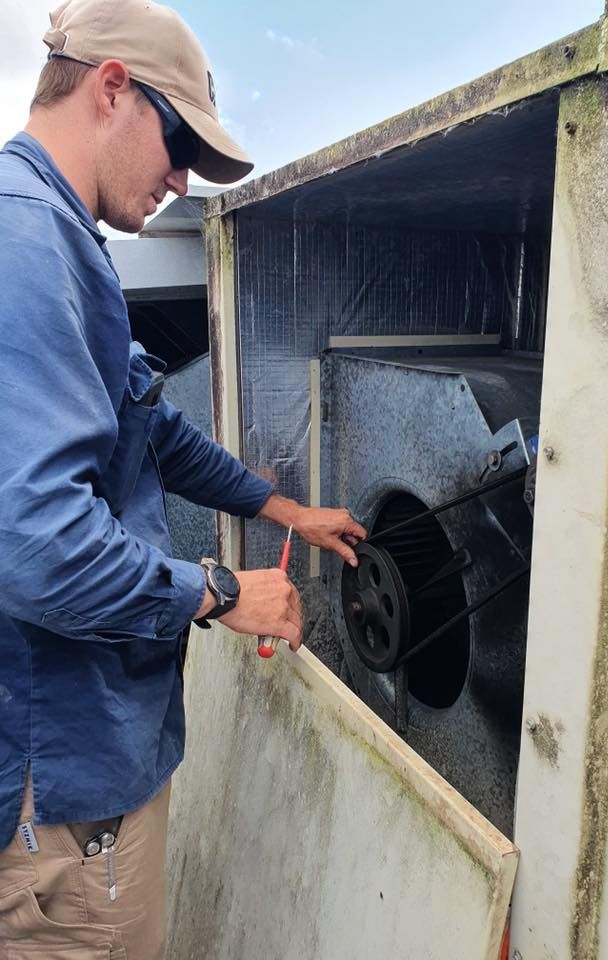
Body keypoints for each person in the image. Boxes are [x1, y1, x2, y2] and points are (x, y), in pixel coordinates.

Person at [0, 2, 366, 957]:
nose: (183, 180)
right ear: (111, 88)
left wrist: (289, 510)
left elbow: (152, 432)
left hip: (90, 772)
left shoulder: (61, 239)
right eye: (180, 144)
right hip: (60, 798)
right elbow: (37, 548)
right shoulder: (23, 246)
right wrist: (222, 591)